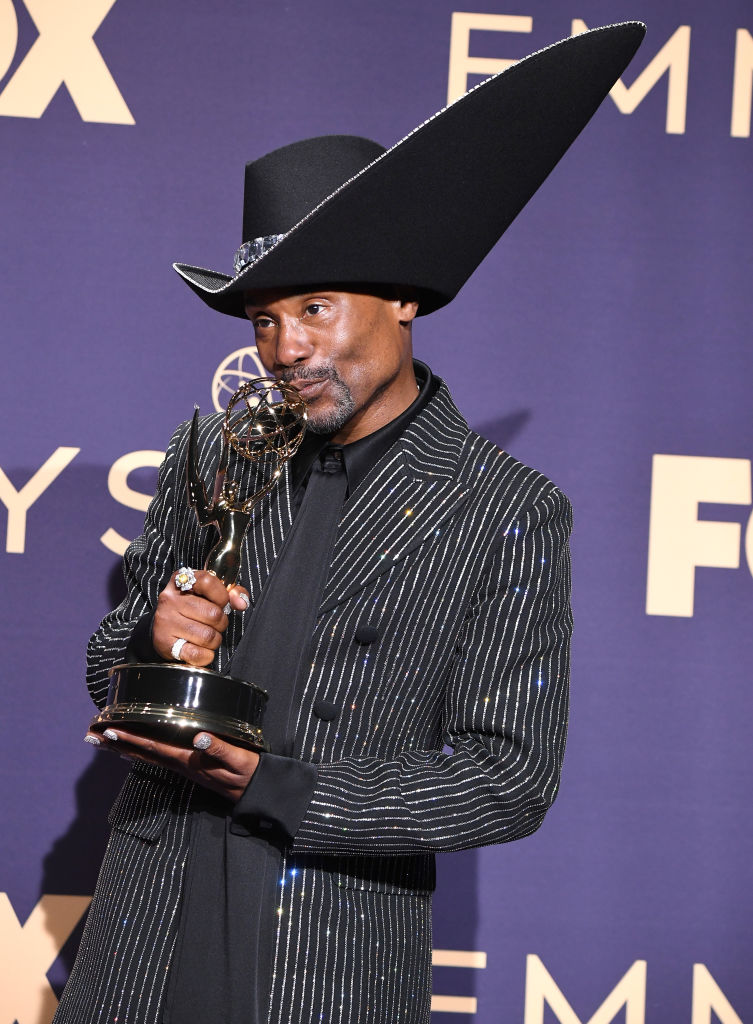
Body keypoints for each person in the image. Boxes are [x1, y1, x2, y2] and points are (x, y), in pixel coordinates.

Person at [55, 22, 644, 1024]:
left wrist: (282, 787)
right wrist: (151, 640)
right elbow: (110, 667)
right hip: (151, 926)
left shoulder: (505, 509)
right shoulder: (217, 451)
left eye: (315, 309)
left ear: (403, 296)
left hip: (326, 947)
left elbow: (508, 777)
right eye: (264, 319)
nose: (285, 348)